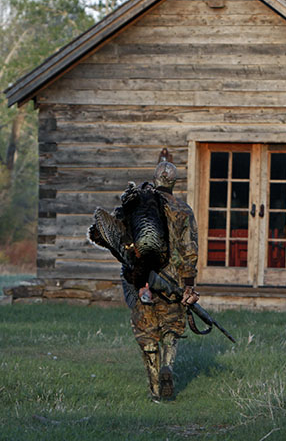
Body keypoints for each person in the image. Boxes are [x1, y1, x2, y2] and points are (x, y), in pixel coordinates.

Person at [90, 150, 200, 401]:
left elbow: (121, 238)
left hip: (143, 278)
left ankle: (155, 391)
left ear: (156, 179)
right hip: (175, 281)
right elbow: (190, 250)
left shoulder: (139, 204)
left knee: (147, 332)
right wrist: (189, 285)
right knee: (172, 326)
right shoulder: (184, 210)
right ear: (174, 182)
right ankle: (168, 367)